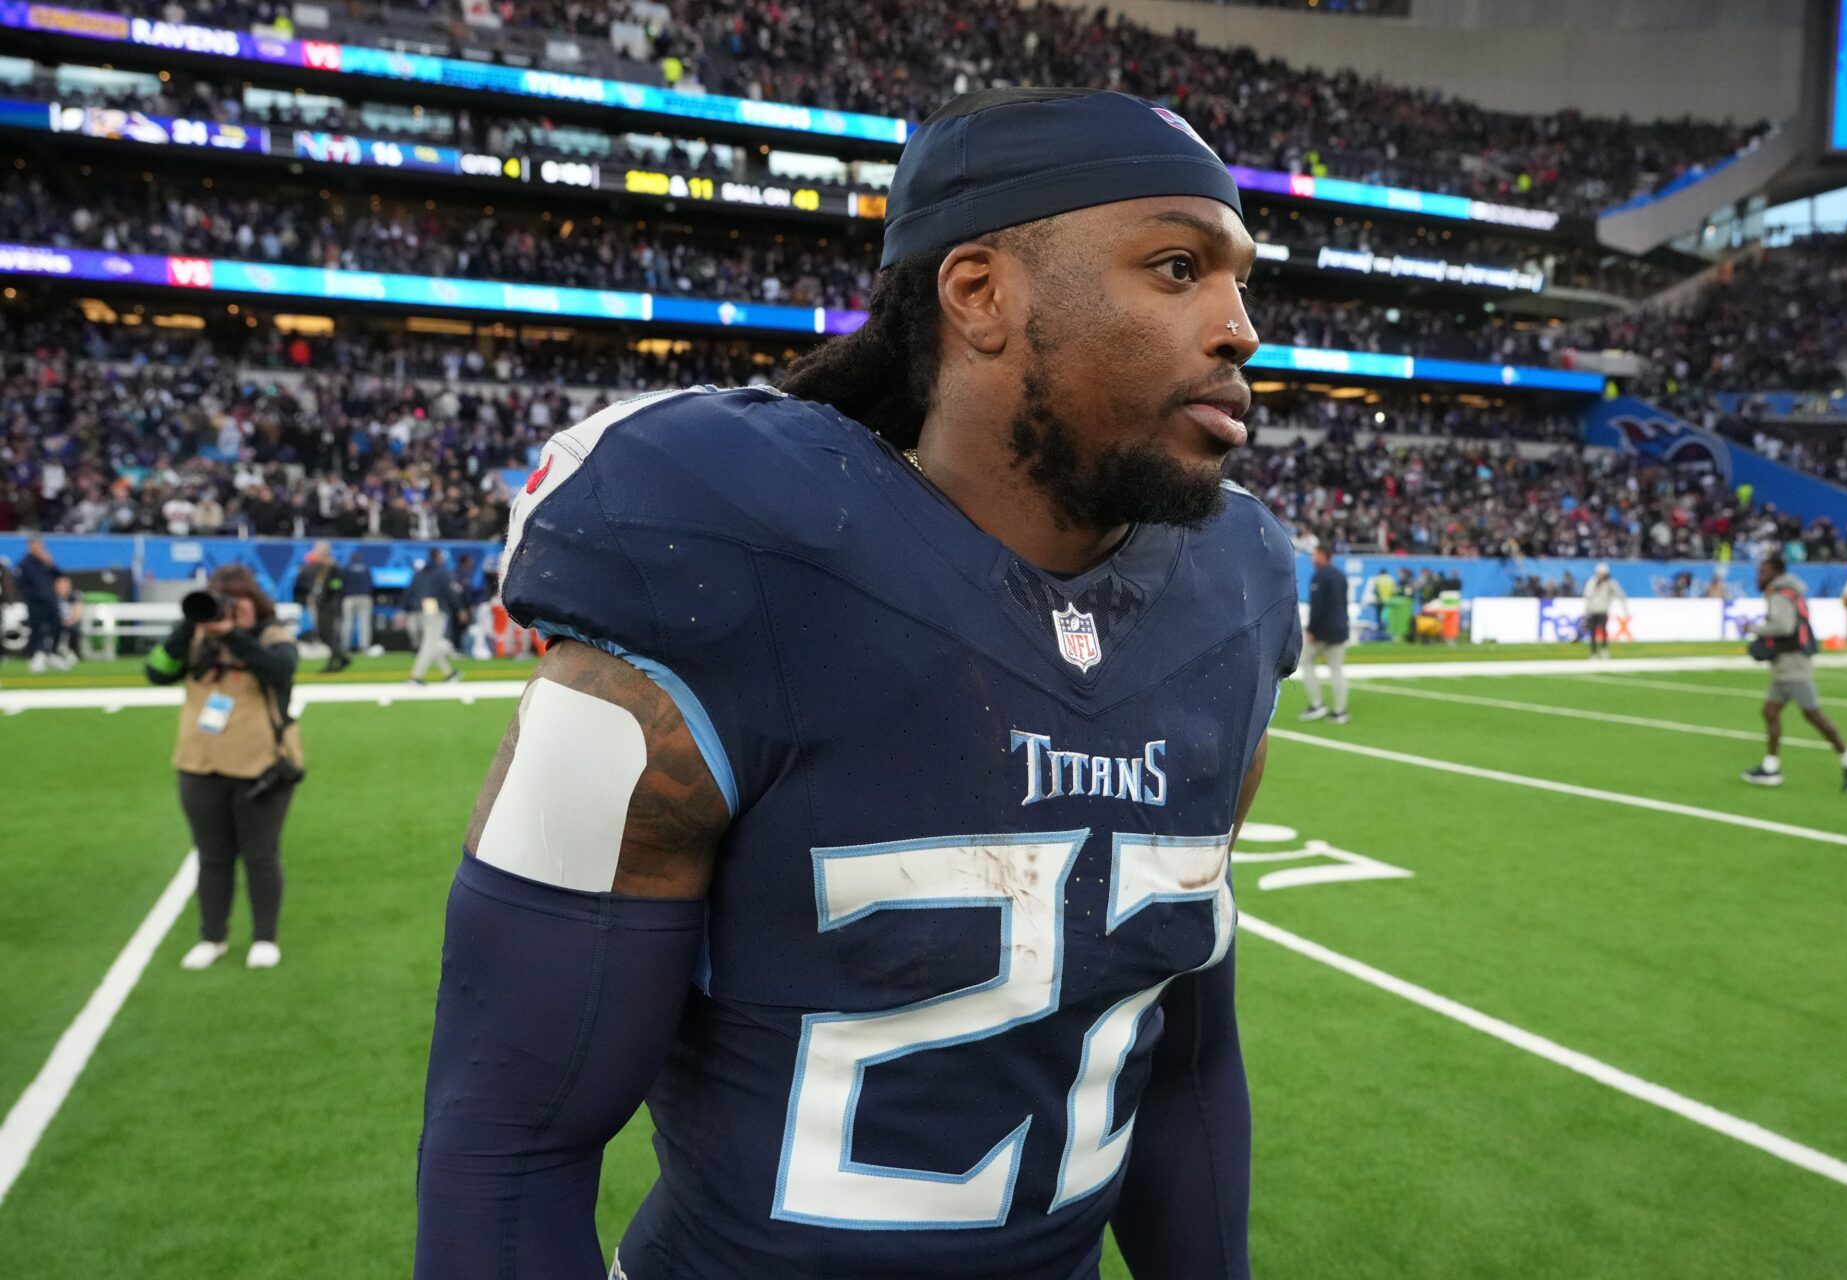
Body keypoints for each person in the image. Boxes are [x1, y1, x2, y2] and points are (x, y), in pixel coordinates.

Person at [415, 88, 1298, 1280]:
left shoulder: (1227, 601)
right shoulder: (731, 564)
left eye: (1242, 279)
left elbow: (1184, 1058)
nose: (1240, 325)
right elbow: (511, 1139)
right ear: (980, 293)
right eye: (1179, 265)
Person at [145, 564, 304, 969]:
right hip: (199, 765)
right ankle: (212, 937)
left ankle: (264, 937)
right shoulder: (196, 640)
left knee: (260, 855)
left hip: (261, 766)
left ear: (254, 603)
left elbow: (280, 672)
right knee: (211, 856)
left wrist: (234, 634)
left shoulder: (273, 636)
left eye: (236, 601)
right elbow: (156, 672)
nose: (227, 609)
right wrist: (189, 627)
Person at [1741, 555, 1847, 792]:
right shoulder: (1790, 592)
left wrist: (1754, 628)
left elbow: (1784, 627)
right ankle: (1771, 767)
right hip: (1786, 664)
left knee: (1813, 715)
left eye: (1763, 571)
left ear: (1775, 573)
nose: (1759, 576)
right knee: (1770, 711)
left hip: (1792, 666)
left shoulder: (1779, 594)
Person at [1298, 545, 1351, 724]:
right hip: (1340, 628)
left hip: (1323, 630)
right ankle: (1340, 711)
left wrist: (1312, 629)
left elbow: (1317, 607)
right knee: (1336, 669)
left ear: (1322, 555)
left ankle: (1317, 704)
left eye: (1315, 555)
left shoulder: (1320, 576)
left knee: (1305, 661)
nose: (1313, 559)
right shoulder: (1340, 575)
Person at [404, 548, 462, 685]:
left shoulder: (420, 573)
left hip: (420, 610)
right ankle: (415, 676)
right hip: (434, 609)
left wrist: (406, 609)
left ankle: (448, 673)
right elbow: (450, 591)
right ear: (437, 557)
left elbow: (409, 591)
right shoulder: (441, 573)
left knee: (433, 642)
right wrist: (460, 608)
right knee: (429, 644)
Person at [20, 536, 64, 673]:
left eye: (40, 545)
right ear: (29, 546)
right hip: (35, 602)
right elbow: (22, 584)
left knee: (57, 626)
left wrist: (49, 562)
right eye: (35, 545)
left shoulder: (46, 562)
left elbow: (59, 574)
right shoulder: (25, 563)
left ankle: (54, 654)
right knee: (37, 629)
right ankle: (35, 657)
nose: (38, 548)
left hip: (51, 600)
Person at [307, 542, 350, 673]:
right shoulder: (321, 568)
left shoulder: (334, 568)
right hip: (322, 605)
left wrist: (327, 600)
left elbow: (337, 587)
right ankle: (340, 658)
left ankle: (336, 660)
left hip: (330, 607)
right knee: (323, 634)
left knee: (329, 635)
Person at [1581, 562, 1626, 658]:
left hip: (1603, 610)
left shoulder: (1610, 583)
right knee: (1592, 632)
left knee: (1603, 631)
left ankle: (1604, 650)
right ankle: (1594, 653)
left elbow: (1619, 593)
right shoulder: (1592, 582)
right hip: (1592, 610)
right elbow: (1587, 595)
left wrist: (1623, 606)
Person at [339, 554, 374, 654]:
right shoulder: (366, 568)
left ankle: (345, 647)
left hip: (349, 597)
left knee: (347, 623)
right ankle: (364, 647)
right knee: (364, 624)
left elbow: (342, 584)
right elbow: (371, 584)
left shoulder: (347, 568)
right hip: (364, 597)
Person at [53, 575, 84, 665]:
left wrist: (70, 621)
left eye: (64, 586)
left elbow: (77, 611)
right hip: (56, 622)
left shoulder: (74, 596)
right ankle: (55, 653)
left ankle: (71, 651)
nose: (62, 588)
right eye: (60, 586)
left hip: (70, 622)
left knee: (74, 629)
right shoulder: (52, 597)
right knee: (54, 629)